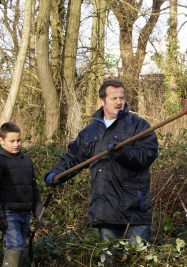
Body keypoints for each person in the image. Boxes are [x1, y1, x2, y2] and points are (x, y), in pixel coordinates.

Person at [44, 78, 158, 245]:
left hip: (134, 210)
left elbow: (147, 155)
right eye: (113, 98)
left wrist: (122, 152)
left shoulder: (138, 126)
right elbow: (74, 157)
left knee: (139, 265)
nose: (119, 102)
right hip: (105, 210)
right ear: (102, 100)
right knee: (109, 265)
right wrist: (56, 174)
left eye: (122, 98)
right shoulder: (90, 132)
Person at [0, 122, 43, 267]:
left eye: (19, 140)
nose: (16, 144)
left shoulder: (26, 161)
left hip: (24, 212)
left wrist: (37, 207)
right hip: (8, 212)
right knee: (14, 244)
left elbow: (33, 187)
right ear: (1, 141)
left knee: (19, 245)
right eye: (12, 141)